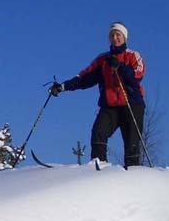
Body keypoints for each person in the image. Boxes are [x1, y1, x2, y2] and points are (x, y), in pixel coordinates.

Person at [49, 22, 146, 167]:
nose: (115, 38)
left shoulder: (133, 55)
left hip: (131, 104)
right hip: (110, 105)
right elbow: (84, 78)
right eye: (112, 35)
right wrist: (63, 86)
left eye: (118, 34)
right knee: (98, 132)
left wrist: (120, 67)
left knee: (131, 141)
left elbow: (137, 75)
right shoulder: (103, 60)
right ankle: (98, 165)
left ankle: (133, 173)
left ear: (124, 37)